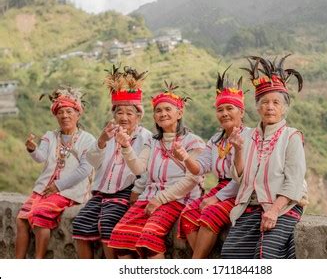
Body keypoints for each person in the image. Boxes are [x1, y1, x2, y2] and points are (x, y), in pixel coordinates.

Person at [221, 54, 308, 259]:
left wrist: (274, 210)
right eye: (265, 102)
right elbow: (239, 177)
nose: (270, 107)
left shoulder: (292, 136)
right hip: (249, 207)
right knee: (231, 256)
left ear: (284, 108)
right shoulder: (246, 135)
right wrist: (239, 151)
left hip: (283, 206)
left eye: (276, 103)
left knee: (265, 255)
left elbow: (294, 181)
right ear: (257, 107)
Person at [108, 81, 205, 259]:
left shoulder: (193, 142)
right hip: (149, 196)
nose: (163, 114)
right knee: (120, 236)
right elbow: (139, 168)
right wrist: (126, 147)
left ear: (179, 113)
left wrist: (159, 199)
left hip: (178, 199)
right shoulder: (152, 141)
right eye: (158, 111)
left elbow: (191, 180)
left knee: (149, 236)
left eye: (168, 109)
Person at [72, 65, 152, 258]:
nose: (123, 117)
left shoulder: (146, 137)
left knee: (109, 226)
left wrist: (137, 190)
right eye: (119, 112)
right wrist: (101, 141)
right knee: (80, 225)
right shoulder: (108, 134)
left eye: (129, 113)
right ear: (113, 114)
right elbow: (92, 161)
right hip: (101, 191)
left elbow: (145, 170)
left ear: (138, 116)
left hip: (126, 191)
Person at [173, 67, 250, 258]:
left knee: (209, 214)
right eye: (220, 109)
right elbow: (199, 168)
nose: (224, 113)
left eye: (229, 108)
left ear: (241, 111)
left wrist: (216, 198)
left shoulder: (250, 137)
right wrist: (185, 157)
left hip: (240, 190)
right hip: (220, 189)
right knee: (188, 215)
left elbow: (242, 177)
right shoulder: (216, 139)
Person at [16, 86, 95, 259]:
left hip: (69, 191)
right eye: (60, 112)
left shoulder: (87, 140)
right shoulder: (50, 136)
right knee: (21, 219)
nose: (65, 116)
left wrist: (58, 186)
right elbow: (41, 157)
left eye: (69, 111)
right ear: (55, 115)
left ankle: (39, 261)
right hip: (44, 189)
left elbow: (85, 169)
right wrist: (32, 149)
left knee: (39, 216)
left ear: (78, 114)